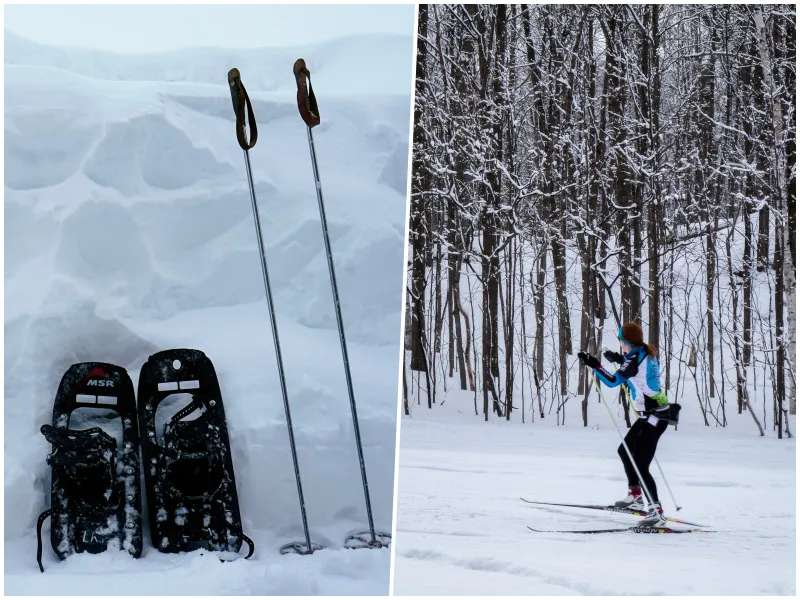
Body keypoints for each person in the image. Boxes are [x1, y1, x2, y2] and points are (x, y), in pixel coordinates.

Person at [577, 322, 670, 527]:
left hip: (655, 417)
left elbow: (613, 381)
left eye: (620, 339)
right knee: (624, 450)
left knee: (640, 464)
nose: (619, 342)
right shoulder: (642, 353)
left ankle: (656, 511)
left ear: (625, 341)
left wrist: (594, 364)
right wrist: (619, 359)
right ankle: (636, 497)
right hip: (650, 415)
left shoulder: (635, 357)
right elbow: (636, 371)